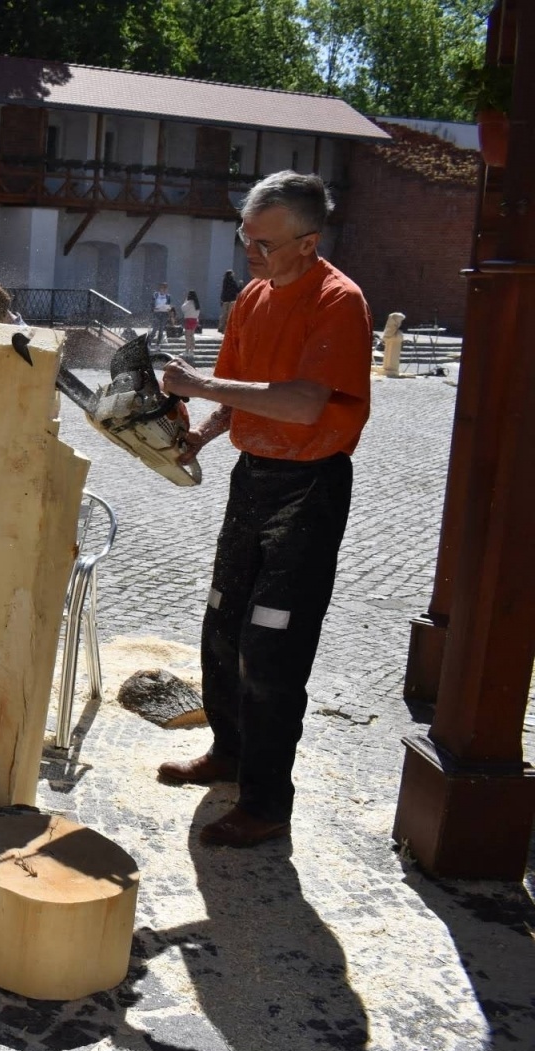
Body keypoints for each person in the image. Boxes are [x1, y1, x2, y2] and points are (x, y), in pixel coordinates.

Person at [157, 171, 372, 848]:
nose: (250, 252)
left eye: (266, 243)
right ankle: (229, 750)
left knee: (272, 648)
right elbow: (243, 394)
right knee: (222, 624)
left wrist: (197, 382)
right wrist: (200, 431)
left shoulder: (339, 301)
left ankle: (267, 801)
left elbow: (305, 402)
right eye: (246, 236)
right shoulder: (253, 296)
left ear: (308, 243)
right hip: (253, 478)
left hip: (309, 487)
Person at [151, 282, 175, 353]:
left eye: (165, 288)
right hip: (157, 313)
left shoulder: (168, 296)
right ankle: (148, 344)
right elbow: (152, 304)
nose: (164, 290)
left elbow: (169, 305)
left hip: (164, 314)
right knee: (154, 329)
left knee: (161, 331)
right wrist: (153, 309)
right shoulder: (156, 295)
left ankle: (157, 345)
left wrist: (169, 309)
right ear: (160, 288)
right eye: (163, 288)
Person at [219, 269, 242, 334]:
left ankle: (221, 328)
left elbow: (223, 291)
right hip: (232, 300)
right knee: (230, 315)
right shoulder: (233, 282)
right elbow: (237, 290)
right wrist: (240, 285)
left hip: (225, 300)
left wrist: (221, 299)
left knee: (224, 314)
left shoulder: (225, 281)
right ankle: (226, 329)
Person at [180, 289, 202, 357]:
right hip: (194, 320)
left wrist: (186, 300)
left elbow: (182, 308)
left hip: (188, 320)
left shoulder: (188, 302)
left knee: (187, 336)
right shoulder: (197, 303)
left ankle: (187, 350)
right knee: (192, 335)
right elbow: (198, 312)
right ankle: (192, 350)